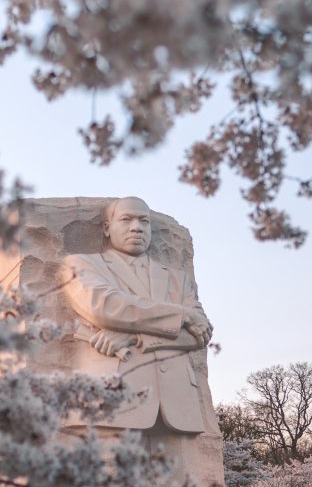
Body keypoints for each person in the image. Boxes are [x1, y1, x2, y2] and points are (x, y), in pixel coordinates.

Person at [62, 196, 214, 471]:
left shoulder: (177, 278)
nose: (137, 227)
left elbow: (198, 335)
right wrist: (180, 315)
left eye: (144, 221)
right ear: (107, 228)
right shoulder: (82, 264)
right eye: (126, 219)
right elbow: (105, 306)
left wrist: (136, 338)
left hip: (176, 407)